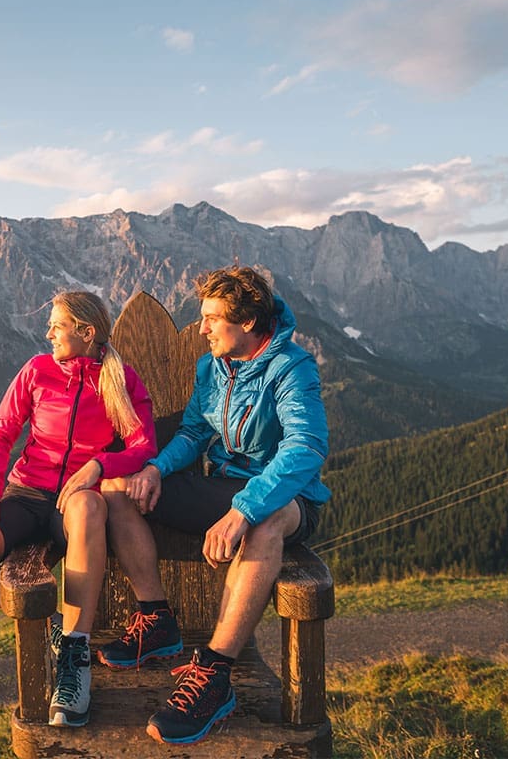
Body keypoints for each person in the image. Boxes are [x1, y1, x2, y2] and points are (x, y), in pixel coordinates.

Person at [97, 265, 330, 745]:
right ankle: (158, 620)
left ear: (247, 322)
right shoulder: (213, 367)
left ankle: (215, 674)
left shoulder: (291, 368)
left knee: (263, 525)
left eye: (211, 318)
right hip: (223, 490)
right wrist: (156, 469)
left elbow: (305, 446)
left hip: (285, 498)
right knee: (118, 491)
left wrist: (245, 509)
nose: (200, 328)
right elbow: (194, 433)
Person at [0, 291, 156, 728]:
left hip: (76, 499)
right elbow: (3, 431)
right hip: (25, 493)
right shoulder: (37, 371)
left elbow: (143, 446)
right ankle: (52, 628)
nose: (49, 334)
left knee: (86, 509)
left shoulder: (121, 380)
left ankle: (74, 659)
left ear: (86, 332)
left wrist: (100, 465)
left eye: (56, 325)